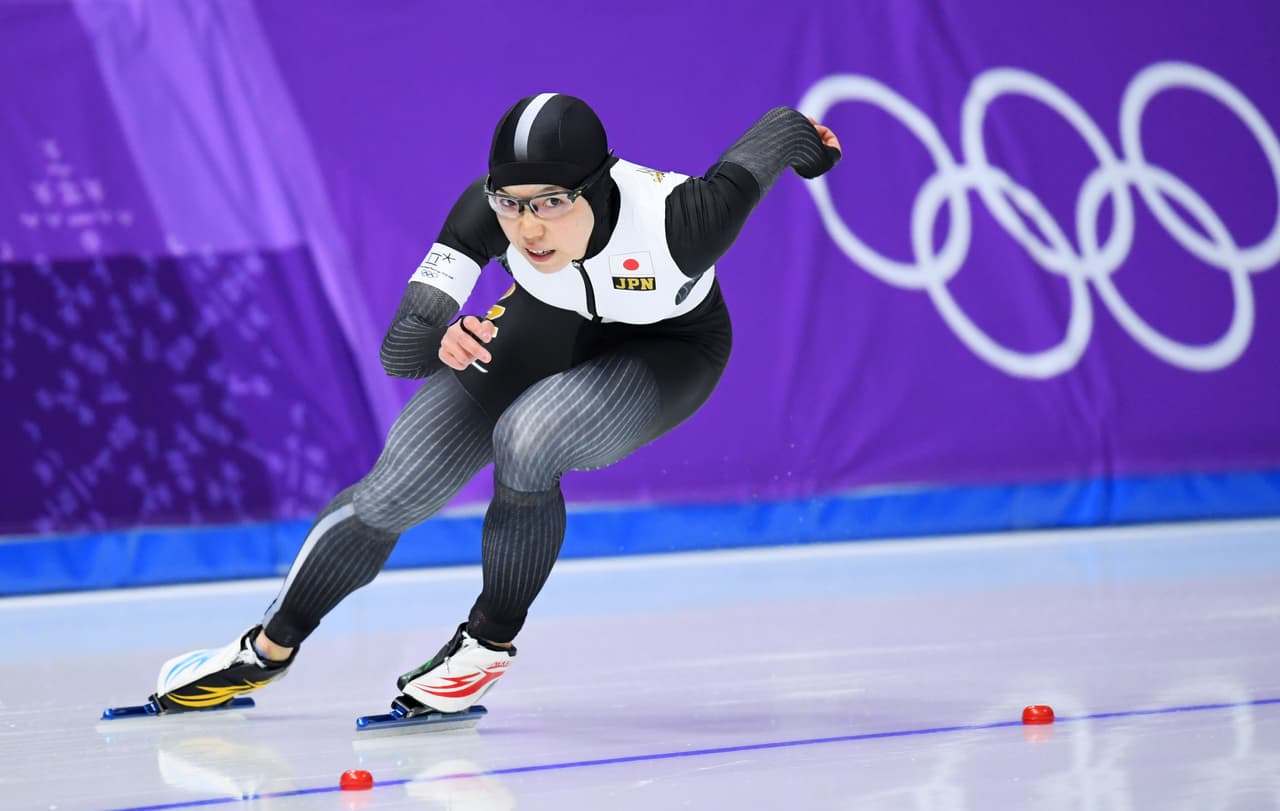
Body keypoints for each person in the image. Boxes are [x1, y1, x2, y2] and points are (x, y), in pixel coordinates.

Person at [150, 93, 841, 717]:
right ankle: (267, 647)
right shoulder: (488, 210)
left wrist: (815, 148)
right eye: (511, 202)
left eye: (549, 203)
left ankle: (485, 644)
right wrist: (441, 342)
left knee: (528, 438)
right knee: (391, 494)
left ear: (595, 189)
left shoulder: (685, 219)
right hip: (541, 324)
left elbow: (778, 130)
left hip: (668, 349)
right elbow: (402, 348)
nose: (527, 227)